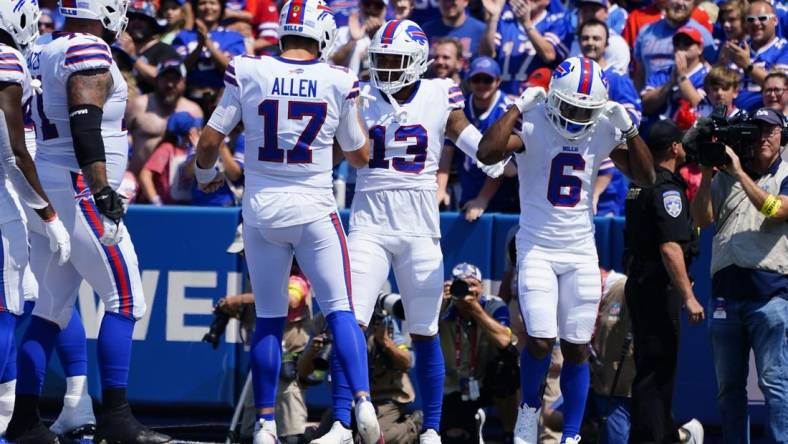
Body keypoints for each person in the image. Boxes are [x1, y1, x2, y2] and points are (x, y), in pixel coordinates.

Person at [193, 0, 383, 441]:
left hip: (262, 211)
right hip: (314, 208)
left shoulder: (248, 70)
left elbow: (208, 141)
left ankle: (262, 423)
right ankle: (362, 401)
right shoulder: (338, 80)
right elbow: (360, 156)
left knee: (271, 318)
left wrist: (207, 176)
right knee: (340, 310)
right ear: (323, 33)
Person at [319, 19, 507, 444]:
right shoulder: (363, 95)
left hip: (420, 229)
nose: (384, 68)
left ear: (419, 62)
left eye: (394, 60)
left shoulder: (441, 94)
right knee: (350, 321)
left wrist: (508, 151)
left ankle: (433, 429)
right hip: (368, 223)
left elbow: (478, 146)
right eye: (380, 59)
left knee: (424, 331)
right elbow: (334, 154)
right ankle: (339, 423)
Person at [4, 0, 172, 442]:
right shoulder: (86, 49)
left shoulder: (41, 46)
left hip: (53, 180)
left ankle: (23, 421)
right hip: (80, 185)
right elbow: (85, 126)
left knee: (51, 310)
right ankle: (116, 416)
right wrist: (103, 190)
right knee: (127, 299)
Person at [477, 56, 656, 444]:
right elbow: (487, 153)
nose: (575, 115)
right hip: (538, 247)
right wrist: (517, 107)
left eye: (584, 109)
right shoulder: (535, 118)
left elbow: (646, 174)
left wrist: (629, 130)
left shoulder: (602, 126)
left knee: (577, 348)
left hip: (579, 250)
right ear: (555, 97)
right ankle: (528, 411)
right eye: (571, 105)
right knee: (540, 340)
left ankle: (571, 435)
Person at [690, 107, 788, 443]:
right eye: (756, 130)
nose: (762, 137)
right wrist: (706, 173)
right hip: (725, 295)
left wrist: (737, 171)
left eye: (770, 131)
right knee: (728, 389)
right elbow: (702, 219)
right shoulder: (724, 178)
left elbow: (777, 210)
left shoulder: (786, 172)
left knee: (776, 386)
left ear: (782, 136)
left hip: (770, 295)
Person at [623, 120, 705, 444]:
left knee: (649, 367)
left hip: (641, 284)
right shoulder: (666, 189)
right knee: (657, 371)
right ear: (674, 147)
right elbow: (670, 247)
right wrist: (688, 296)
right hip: (658, 287)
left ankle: (663, 435)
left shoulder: (639, 183)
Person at [439, 263, 515, 443]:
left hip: (489, 380)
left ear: (481, 287)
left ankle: (509, 432)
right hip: (456, 386)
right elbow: (421, 337)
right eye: (462, 285)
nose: (468, 290)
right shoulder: (444, 308)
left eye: (472, 285)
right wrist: (439, 304)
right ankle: (475, 423)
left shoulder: (493, 305)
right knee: (454, 438)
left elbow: (505, 340)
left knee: (510, 363)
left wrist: (475, 310)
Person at [438, 57, 517, 221]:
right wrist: (440, 189)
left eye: (487, 80)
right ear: (469, 80)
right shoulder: (461, 106)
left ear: (497, 81)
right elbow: (447, 151)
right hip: (468, 188)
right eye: (476, 79)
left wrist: (483, 199)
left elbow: (500, 163)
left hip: (502, 198)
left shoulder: (507, 110)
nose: (481, 85)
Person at [126, 59, 203, 175]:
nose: (170, 84)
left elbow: (197, 149)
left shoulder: (194, 111)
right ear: (157, 80)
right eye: (166, 78)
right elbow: (119, 138)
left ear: (184, 81)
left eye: (175, 79)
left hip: (175, 187)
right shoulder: (138, 105)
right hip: (136, 181)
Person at [479, 0, 569, 95]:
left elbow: (549, 55)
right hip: (503, 98)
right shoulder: (506, 21)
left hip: (536, 100)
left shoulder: (556, 22)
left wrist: (526, 23)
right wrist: (494, 17)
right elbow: (486, 54)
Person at [172, 0, 246, 109]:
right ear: (195, 8)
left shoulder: (234, 37)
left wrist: (208, 43)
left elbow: (234, 71)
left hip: (223, 102)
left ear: (221, 8)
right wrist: (198, 48)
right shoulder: (183, 37)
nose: (207, 7)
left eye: (213, 3)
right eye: (202, 3)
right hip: (190, 100)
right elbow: (177, 71)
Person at [632, 0, 715, 91]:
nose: (680, 3)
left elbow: (712, 73)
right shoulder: (645, 32)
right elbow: (639, 74)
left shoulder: (703, 35)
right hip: (651, 98)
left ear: (694, 3)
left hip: (687, 100)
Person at [727, 0, 788, 112]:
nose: (756, 23)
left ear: (775, 20)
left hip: (768, 120)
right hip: (735, 118)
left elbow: (781, 87)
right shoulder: (737, 49)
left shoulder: (784, 49)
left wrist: (748, 66)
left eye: (762, 18)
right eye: (750, 19)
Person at [641, 26, 711, 123]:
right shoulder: (662, 73)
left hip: (687, 131)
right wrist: (670, 84)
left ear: (700, 48)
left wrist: (682, 76)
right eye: (677, 43)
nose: (681, 47)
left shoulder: (708, 76)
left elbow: (699, 106)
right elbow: (645, 106)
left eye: (687, 43)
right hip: (656, 129)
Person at [138, 111, 200, 205]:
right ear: (188, 132)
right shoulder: (166, 149)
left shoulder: (190, 150)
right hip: (167, 209)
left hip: (186, 208)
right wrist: (156, 201)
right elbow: (145, 175)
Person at [119, 0, 179, 94]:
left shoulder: (165, 50)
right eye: (132, 18)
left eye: (142, 18)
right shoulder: (117, 48)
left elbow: (163, 79)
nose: (136, 22)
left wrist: (132, 57)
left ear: (152, 23)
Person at [565, 0, 629, 76]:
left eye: (594, 10)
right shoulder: (576, 42)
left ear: (606, 13)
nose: (589, 14)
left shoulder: (616, 43)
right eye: (585, 11)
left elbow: (614, 80)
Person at [329, 0, 388, 75]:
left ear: (386, 9)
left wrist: (378, 36)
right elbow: (332, 64)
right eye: (367, 4)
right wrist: (352, 40)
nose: (371, 9)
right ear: (360, 5)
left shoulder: (393, 34)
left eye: (378, 5)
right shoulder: (344, 32)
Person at [422, 0, 486, 61]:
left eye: (453, 1)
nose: (448, 4)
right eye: (445, 0)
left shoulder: (481, 30)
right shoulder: (426, 30)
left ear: (465, 1)